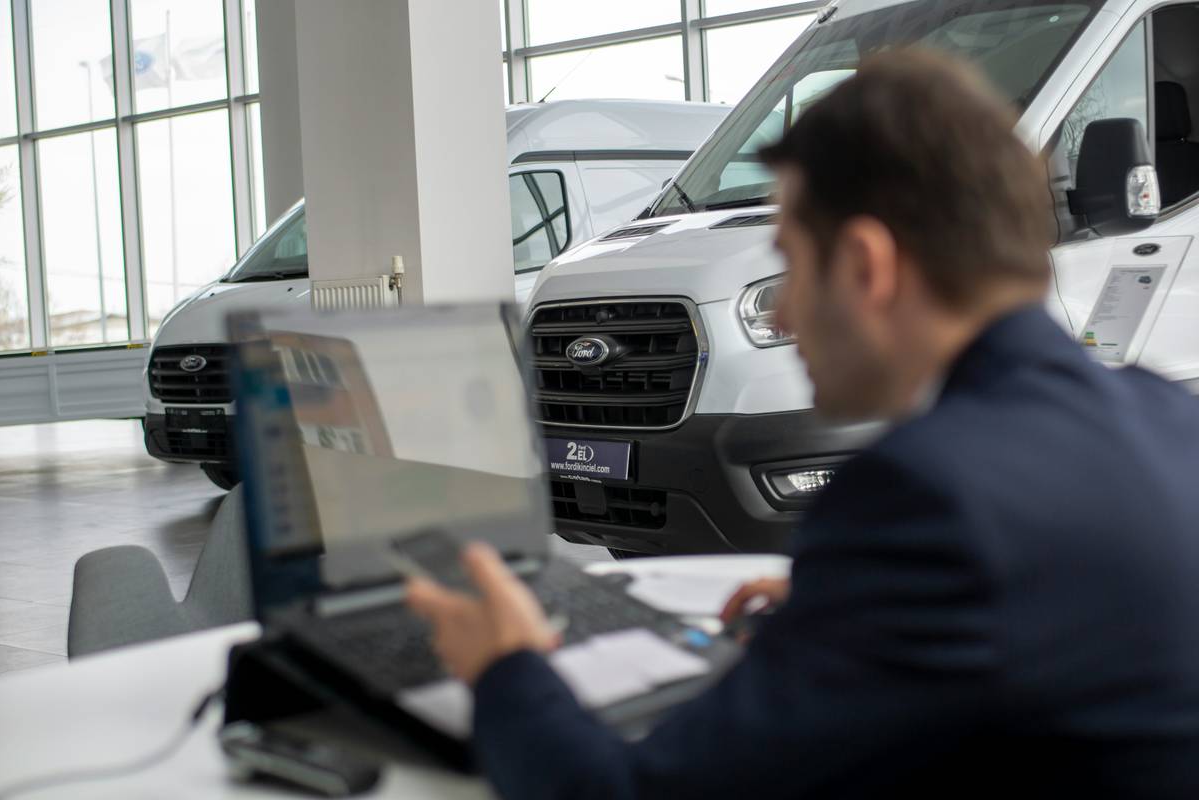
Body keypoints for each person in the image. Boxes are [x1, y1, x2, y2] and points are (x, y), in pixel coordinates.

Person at [407, 50, 1199, 798]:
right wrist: (843, 625)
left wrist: (506, 667)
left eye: (791, 262)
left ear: (865, 265)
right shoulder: (1169, 421)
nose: (784, 309)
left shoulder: (924, 495)